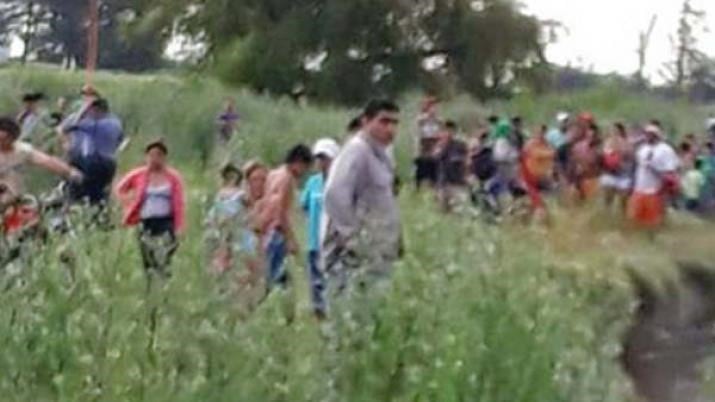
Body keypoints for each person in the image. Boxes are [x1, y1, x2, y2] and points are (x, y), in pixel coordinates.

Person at [322, 99, 402, 298]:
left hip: (377, 256)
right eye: (383, 122)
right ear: (366, 121)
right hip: (353, 260)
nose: (390, 129)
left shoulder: (382, 155)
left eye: (394, 123)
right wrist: (354, 239)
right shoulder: (357, 150)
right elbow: (334, 194)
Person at [115, 140, 185, 288]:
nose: (154, 159)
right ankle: (150, 289)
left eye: (158, 155)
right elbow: (120, 189)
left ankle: (164, 287)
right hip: (146, 221)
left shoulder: (172, 177)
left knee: (164, 255)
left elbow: (179, 203)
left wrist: (179, 227)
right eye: (151, 155)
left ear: (164, 157)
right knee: (147, 258)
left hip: (166, 221)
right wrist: (129, 203)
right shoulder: (139, 175)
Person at [255, 144, 314, 291]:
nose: (304, 172)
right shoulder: (287, 180)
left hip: (266, 230)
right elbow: (281, 212)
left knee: (271, 274)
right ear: (299, 162)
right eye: (305, 168)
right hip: (277, 233)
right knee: (273, 276)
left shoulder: (273, 174)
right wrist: (290, 239)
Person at [0, 117, 83, 210]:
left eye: (5, 139)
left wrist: (69, 172)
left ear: (13, 138)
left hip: (14, 200)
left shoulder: (23, 151)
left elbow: (47, 161)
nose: (2, 142)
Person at [300, 138, 340, 318]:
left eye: (325, 158)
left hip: (335, 242)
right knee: (316, 283)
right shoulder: (313, 183)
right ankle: (320, 317)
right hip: (315, 240)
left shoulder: (341, 182)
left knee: (334, 282)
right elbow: (304, 206)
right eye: (319, 158)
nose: (322, 163)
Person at [61, 98, 124, 206]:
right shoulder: (116, 122)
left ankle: (77, 206)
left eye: (91, 111)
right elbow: (120, 139)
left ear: (96, 110)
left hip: (94, 162)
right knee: (101, 192)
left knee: (82, 190)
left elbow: (67, 127)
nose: (89, 114)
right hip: (110, 162)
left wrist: (82, 110)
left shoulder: (94, 124)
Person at [628, 125, 680, 231]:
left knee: (652, 222)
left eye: (650, 134)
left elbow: (670, 171)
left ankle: (653, 239)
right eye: (646, 134)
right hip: (639, 188)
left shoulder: (665, 150)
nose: (647, 136)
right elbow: (637, 165)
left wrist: (654, 167)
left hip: (654, 190)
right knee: (634, 219)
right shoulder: (643, 148)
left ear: (656, 135)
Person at [205, 163, 246, 275]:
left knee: (234, 249)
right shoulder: (221, 193)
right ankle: (220, 269)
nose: (232, 178)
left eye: (234, 176)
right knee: (221, 248)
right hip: (221, 224)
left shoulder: (241, 193)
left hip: (236, 224)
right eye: (229, 176)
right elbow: (216, 209)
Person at [433, 120, 468, 212]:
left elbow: (465, 159)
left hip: (457, 182)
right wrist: (442, 145)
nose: (446, 133)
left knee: (458, 210)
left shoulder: (460, 144)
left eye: (449, 131)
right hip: (443, 181)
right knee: (442, 210)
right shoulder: (440, 144)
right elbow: (436, 157)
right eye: (444, 131)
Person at [521, 124, 556, 217]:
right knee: (537, 202)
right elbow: (536, 154)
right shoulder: (530, 145)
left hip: (543, 177)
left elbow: (551, 157)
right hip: (531, 177)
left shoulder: (546, 144)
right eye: (539, 132)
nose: (541, 134)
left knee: (550, 198)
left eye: (543, 132)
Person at [600, 122, 634, 211]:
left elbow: (630, 156)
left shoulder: (627, 143)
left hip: (623, 175)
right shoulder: (607, 142)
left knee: (623, 204)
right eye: (612, 130)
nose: (613, 132)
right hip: (610, 174)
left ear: (620, 131)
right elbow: (604, 157)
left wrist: (619, 151)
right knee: (607, 202)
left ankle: (622, 219)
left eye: (615, 130)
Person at [414, 97, 441, 188]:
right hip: (423, 150)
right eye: (434, 107)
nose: (435, 109)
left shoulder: (438, 120)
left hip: (434, 150)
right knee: (421, 173)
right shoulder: (422, 118)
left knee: (434, 174)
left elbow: (439, 133)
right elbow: (420, 131)